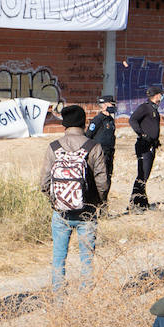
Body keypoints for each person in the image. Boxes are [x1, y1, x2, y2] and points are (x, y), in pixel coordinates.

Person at [40, 104, 110, 287]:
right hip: (87, 211)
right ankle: (84, 300)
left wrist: (56, 201)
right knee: (87, 260)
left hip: (61, 213)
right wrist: (100, 203)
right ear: (84, 123)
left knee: (58, 258)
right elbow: (102, 182)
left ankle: (59, 300)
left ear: (65, 124)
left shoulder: (54, 147)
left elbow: (44, 183)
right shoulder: (94, 147)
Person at [128, 84, 164, 210]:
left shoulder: (154, 109)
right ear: (156, 95)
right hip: (144, 146)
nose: (161, 97)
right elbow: (132, 120)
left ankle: (142, 202)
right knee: (142, 175)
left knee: (145, 175)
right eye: (160, 94)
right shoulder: (145, 107)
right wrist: (142, 134)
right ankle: (135, 203)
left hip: (151, 146)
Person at [84, 94, 118, 186]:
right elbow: (88, 135)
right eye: (112, 104)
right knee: (100, 176)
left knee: (108, 175)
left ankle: (104, 198)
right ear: (105, 105)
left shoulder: (110, 120)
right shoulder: (97, 119)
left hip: (109, 152)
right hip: (100, 152)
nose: (113, 107)